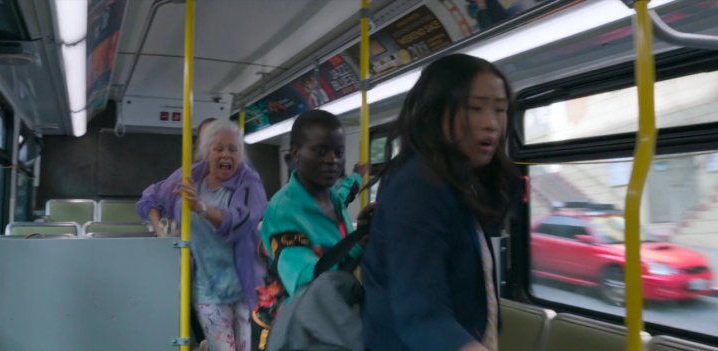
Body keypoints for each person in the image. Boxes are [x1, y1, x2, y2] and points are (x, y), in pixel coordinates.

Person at [362, 54, 519, 351]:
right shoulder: (417, 186)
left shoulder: (457, 183)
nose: (491, 124)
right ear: (436, 111)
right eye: (474, 108)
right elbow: (421, 315)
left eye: (500, 109)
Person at [137, 119, 267, 351]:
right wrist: (161, 233)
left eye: (231, 147)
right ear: (204, 148)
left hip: (242, 283)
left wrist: (202, 208)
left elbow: (240, 220)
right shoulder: (187, 177)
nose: (224, 153)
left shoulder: (247, 181)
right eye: (216, 145)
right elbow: (150, 199)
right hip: (203, 284)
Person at [253, 111, 369, 332]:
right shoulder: (284, 211)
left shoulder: (331, 197)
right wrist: (357, 247)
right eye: (321, 151)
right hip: (298, 328)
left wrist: (360, 232)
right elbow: (307, 283)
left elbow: (344, 194)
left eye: (338, 152)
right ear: (296, 154)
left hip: (334, 316)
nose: (332, 160)